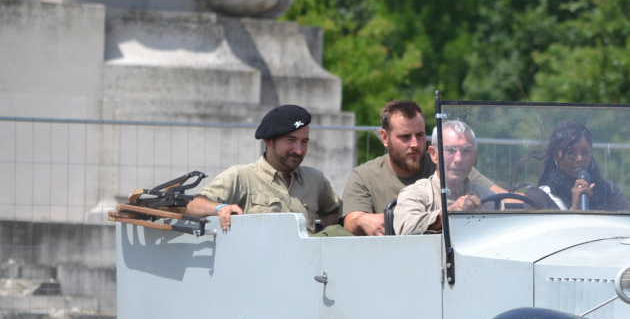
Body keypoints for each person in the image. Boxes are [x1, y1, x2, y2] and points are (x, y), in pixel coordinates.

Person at [341, 100, 501, 236]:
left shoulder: (450, 165)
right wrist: (364, 220)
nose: (415, 144)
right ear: (385, 137)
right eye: (405, 137)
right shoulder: (364, 176)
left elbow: (499, 196)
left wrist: (523, 199)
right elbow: (350, 222)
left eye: (420, 135)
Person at [186, 105, 341, 233]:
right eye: (291, 140)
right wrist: (220, 208)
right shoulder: (241, 176)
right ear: (269, 141)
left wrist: (323, 237)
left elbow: (333, 210)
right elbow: (194, 206)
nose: (299, 150)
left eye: (304, 142)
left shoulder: (315, 179)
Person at [393, 120, 496, 235]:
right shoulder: (415, 193)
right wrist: (449, 213)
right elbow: (405, 229)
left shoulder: (488, 198)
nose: (458, 159)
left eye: (466, 151)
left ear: (475, 155)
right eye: (450, 150)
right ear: (433, 154)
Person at [526, 119, 630, 212]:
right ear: (556, 155)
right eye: (571, 152)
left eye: (585, 152)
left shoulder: (608, 190)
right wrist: (574, 208)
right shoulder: (538, 197)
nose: (580, 159)